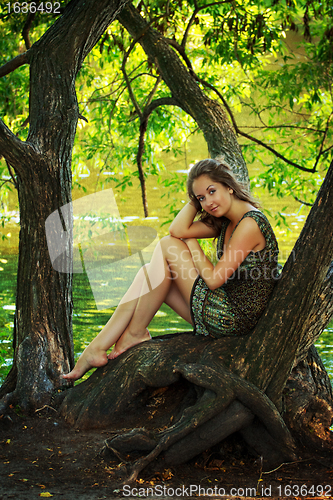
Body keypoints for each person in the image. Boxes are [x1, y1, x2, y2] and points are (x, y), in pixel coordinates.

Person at [63, 158, 279, 381]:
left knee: (166, 246)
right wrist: (195, 202)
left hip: (233, 320)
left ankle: (135, 333)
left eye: (212, 191)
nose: (208, 202)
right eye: (202, 198)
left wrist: (192, 241)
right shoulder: (224, 220)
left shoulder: (250, 224)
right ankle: (97, 348)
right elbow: (177, 229)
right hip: (222, 312)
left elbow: (214, 280)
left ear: (229, 186)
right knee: (148, 272)